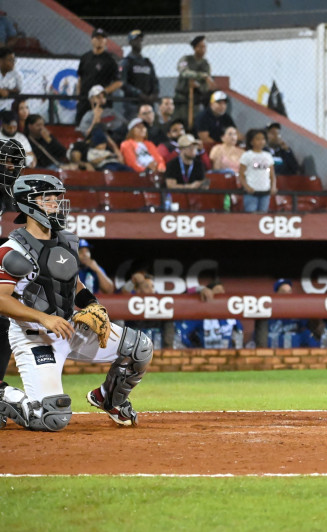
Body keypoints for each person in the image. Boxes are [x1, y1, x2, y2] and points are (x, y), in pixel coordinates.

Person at [0, 173, 153, 430]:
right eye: (46, 198)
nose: (55, 204)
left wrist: (93, 305)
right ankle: (3, 394)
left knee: (139, 348)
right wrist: (44, 317)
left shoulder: (66, 241)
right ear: (28, 203)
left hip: (69, 327)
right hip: (35, 336)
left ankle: (109, 398)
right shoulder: (11, 250)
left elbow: (73, 283)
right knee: (50, 419)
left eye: (56, 198)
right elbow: (1, 300)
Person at [0, 138, 25, 404]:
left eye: (13, 163)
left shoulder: (4, 193)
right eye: (5, 162)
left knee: (2, 319)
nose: (10, 168)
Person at [75, 28, 122, 127]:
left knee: (100, 127)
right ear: (92, 40)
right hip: (85, 100)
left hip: (101, 102)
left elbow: (118, 82)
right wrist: (78, 97)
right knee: (80, 126)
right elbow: (80, 79)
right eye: (97, 38)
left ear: (106, 41)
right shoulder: (85, 57)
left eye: (102, 38)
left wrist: (103, 92)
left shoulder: (110, 60)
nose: (99, 41)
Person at [120, 29, 159, 119]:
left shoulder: (147, 62)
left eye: (140, 40)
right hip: (132, 103)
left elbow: (154, 80)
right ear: (130, 42)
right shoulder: (126, 62)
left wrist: (155, 93)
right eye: (136, 40)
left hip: (148, 103)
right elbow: (122, 83)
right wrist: (139, 94)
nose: (139, 42)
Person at [174, 35, 214, 123]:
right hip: (181, 99)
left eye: (204, 47)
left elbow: (206, 85)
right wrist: (201, 75)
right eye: (200, 47)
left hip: (196, 101)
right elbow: (183, 71)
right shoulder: (186, 59)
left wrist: (198, 86)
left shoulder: (205, 64)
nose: (203, 49)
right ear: (195, 48)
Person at [238, 128, 275, 212]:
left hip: (265, 192)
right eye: (257, 139)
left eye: (263, 139)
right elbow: (241, 174)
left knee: (263, 215)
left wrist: (273, 186)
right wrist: (246, 187)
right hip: (252, 192)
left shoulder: (268, 156)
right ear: (251, 142)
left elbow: (272, 174)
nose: (261, 141)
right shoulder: (247, 155)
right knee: (251, 215)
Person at [0, 47, 21, 111]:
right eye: (10, 60)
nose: (13, 62)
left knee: (13, 120)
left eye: (14, 60)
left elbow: (18, 90)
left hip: (7, 110)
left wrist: (7, 91)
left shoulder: (16, 74)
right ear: (1, 61)